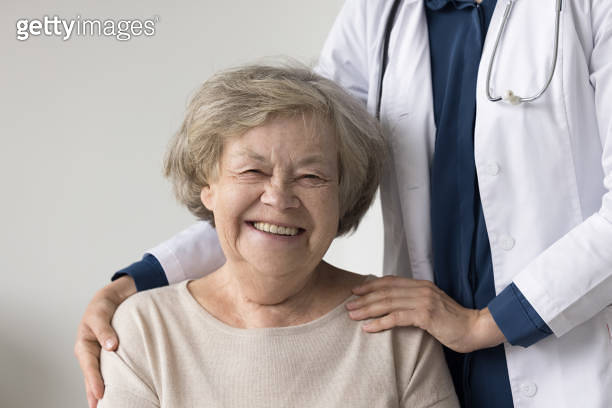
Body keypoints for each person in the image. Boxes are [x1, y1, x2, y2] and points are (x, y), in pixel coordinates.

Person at [76, 1, 612, 407]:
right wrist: (136, 282)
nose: (278, 187)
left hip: (563, 350)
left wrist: (484, 325)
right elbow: (282, 166)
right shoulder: (381, 14)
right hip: (425, 350)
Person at [96, 64, 459, 407]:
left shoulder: (398, 332)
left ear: (341, 197)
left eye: (311, 176)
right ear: (208, 186)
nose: (279, 197)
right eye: (253, 170)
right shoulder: (145, 328)